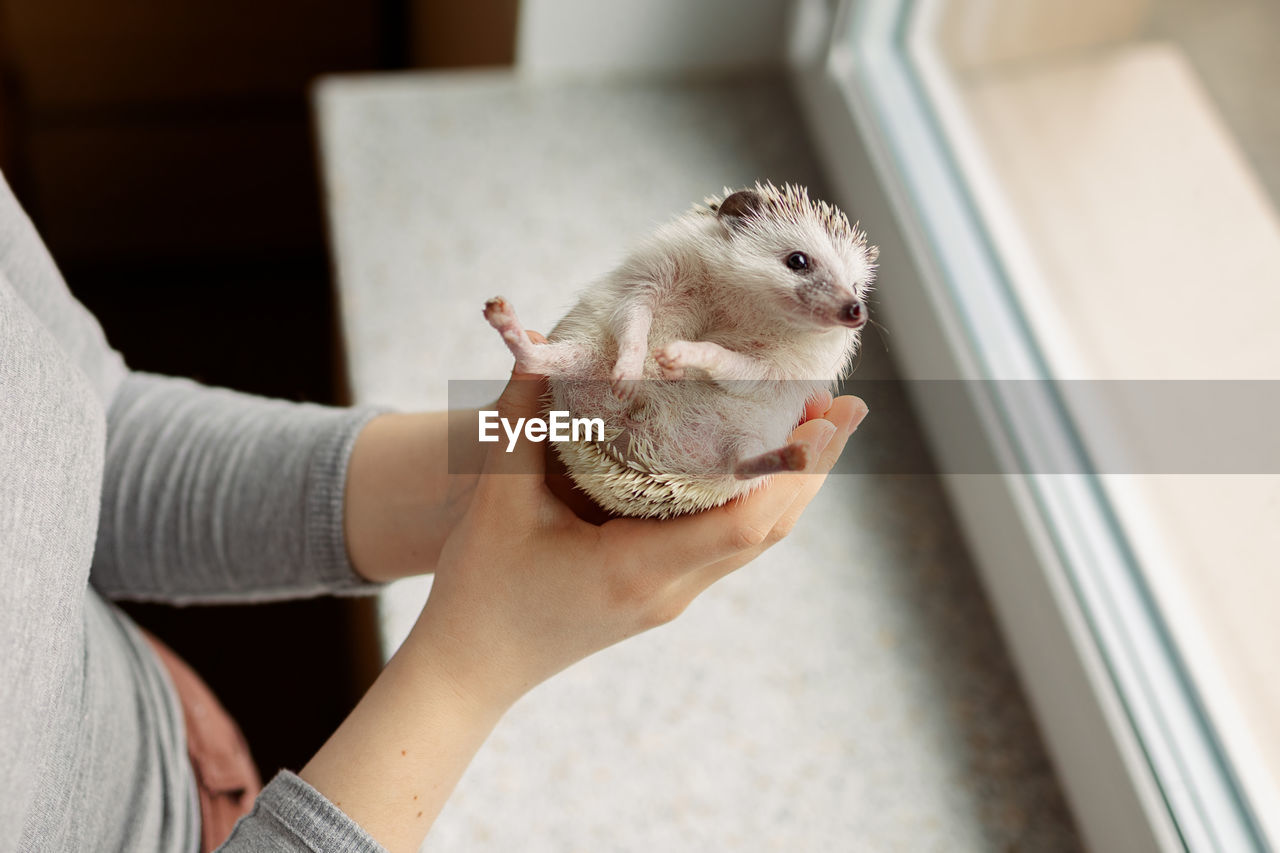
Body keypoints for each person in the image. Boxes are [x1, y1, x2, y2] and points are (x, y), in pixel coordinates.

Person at [0, 169, 867, 853]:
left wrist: (519, 463)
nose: (843, 303)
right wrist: (474, 658)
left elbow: (88, 438)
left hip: (172, 732)